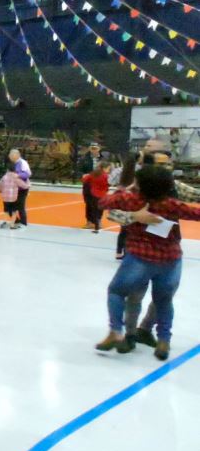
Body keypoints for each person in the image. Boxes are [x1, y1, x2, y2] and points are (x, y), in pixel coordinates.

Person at [96, 165, 200, 360]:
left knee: (117, 291)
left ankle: (117, 331)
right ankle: (163, 341)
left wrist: (122, 190)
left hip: (139, 258)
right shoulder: (172, 204)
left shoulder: (130, 199)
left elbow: (104, 202)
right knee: (164, 300)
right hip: (170, 259)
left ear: (140, 184)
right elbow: (195, 213)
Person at [81, 161, 111, 233]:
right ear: (104, 168)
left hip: (91, 193)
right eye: (108, 169)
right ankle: (98, 222)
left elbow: (84, 180)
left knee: (90, 207)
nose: (109, 170)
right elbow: (108, 184)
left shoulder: (93, 173)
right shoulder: (106, 176)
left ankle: (89, 222)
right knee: (99, 209)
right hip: (101, 194)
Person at [79, 143, 102, 228]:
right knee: (89, 203)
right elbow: (79, 170)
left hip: (100, 185)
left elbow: (108, 169)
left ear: (99, 149)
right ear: (89, 149)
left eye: (95, 148)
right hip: (88, 184)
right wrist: (83, 175)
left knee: (99, 203)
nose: (94, 150)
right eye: (92, 148)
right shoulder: (84, 159)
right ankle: (89, 221)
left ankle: (98, 220)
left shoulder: (104, 159)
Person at [0, 164, 27, 229]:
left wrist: (0, 190)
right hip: (13, 197)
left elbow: (0, 184)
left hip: (5, 197)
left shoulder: (4, 177)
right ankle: (12, 225)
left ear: (8, 170)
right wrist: (27, 185)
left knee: (6, 210)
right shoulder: (15, 177)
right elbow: (23, 185)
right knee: (14, 211)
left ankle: (4, 222)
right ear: (15, 170)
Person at [8, 149, 31, 228]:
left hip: (22, 188)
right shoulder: (15, 163)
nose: (9, 156)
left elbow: (27, 174)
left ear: (16, 155)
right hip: (15, 188)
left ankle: (23, 223)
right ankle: (17, 221)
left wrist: (18, 175)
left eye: (11, 155)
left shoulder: (22, 163)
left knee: (20, 206)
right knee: (10, 205)